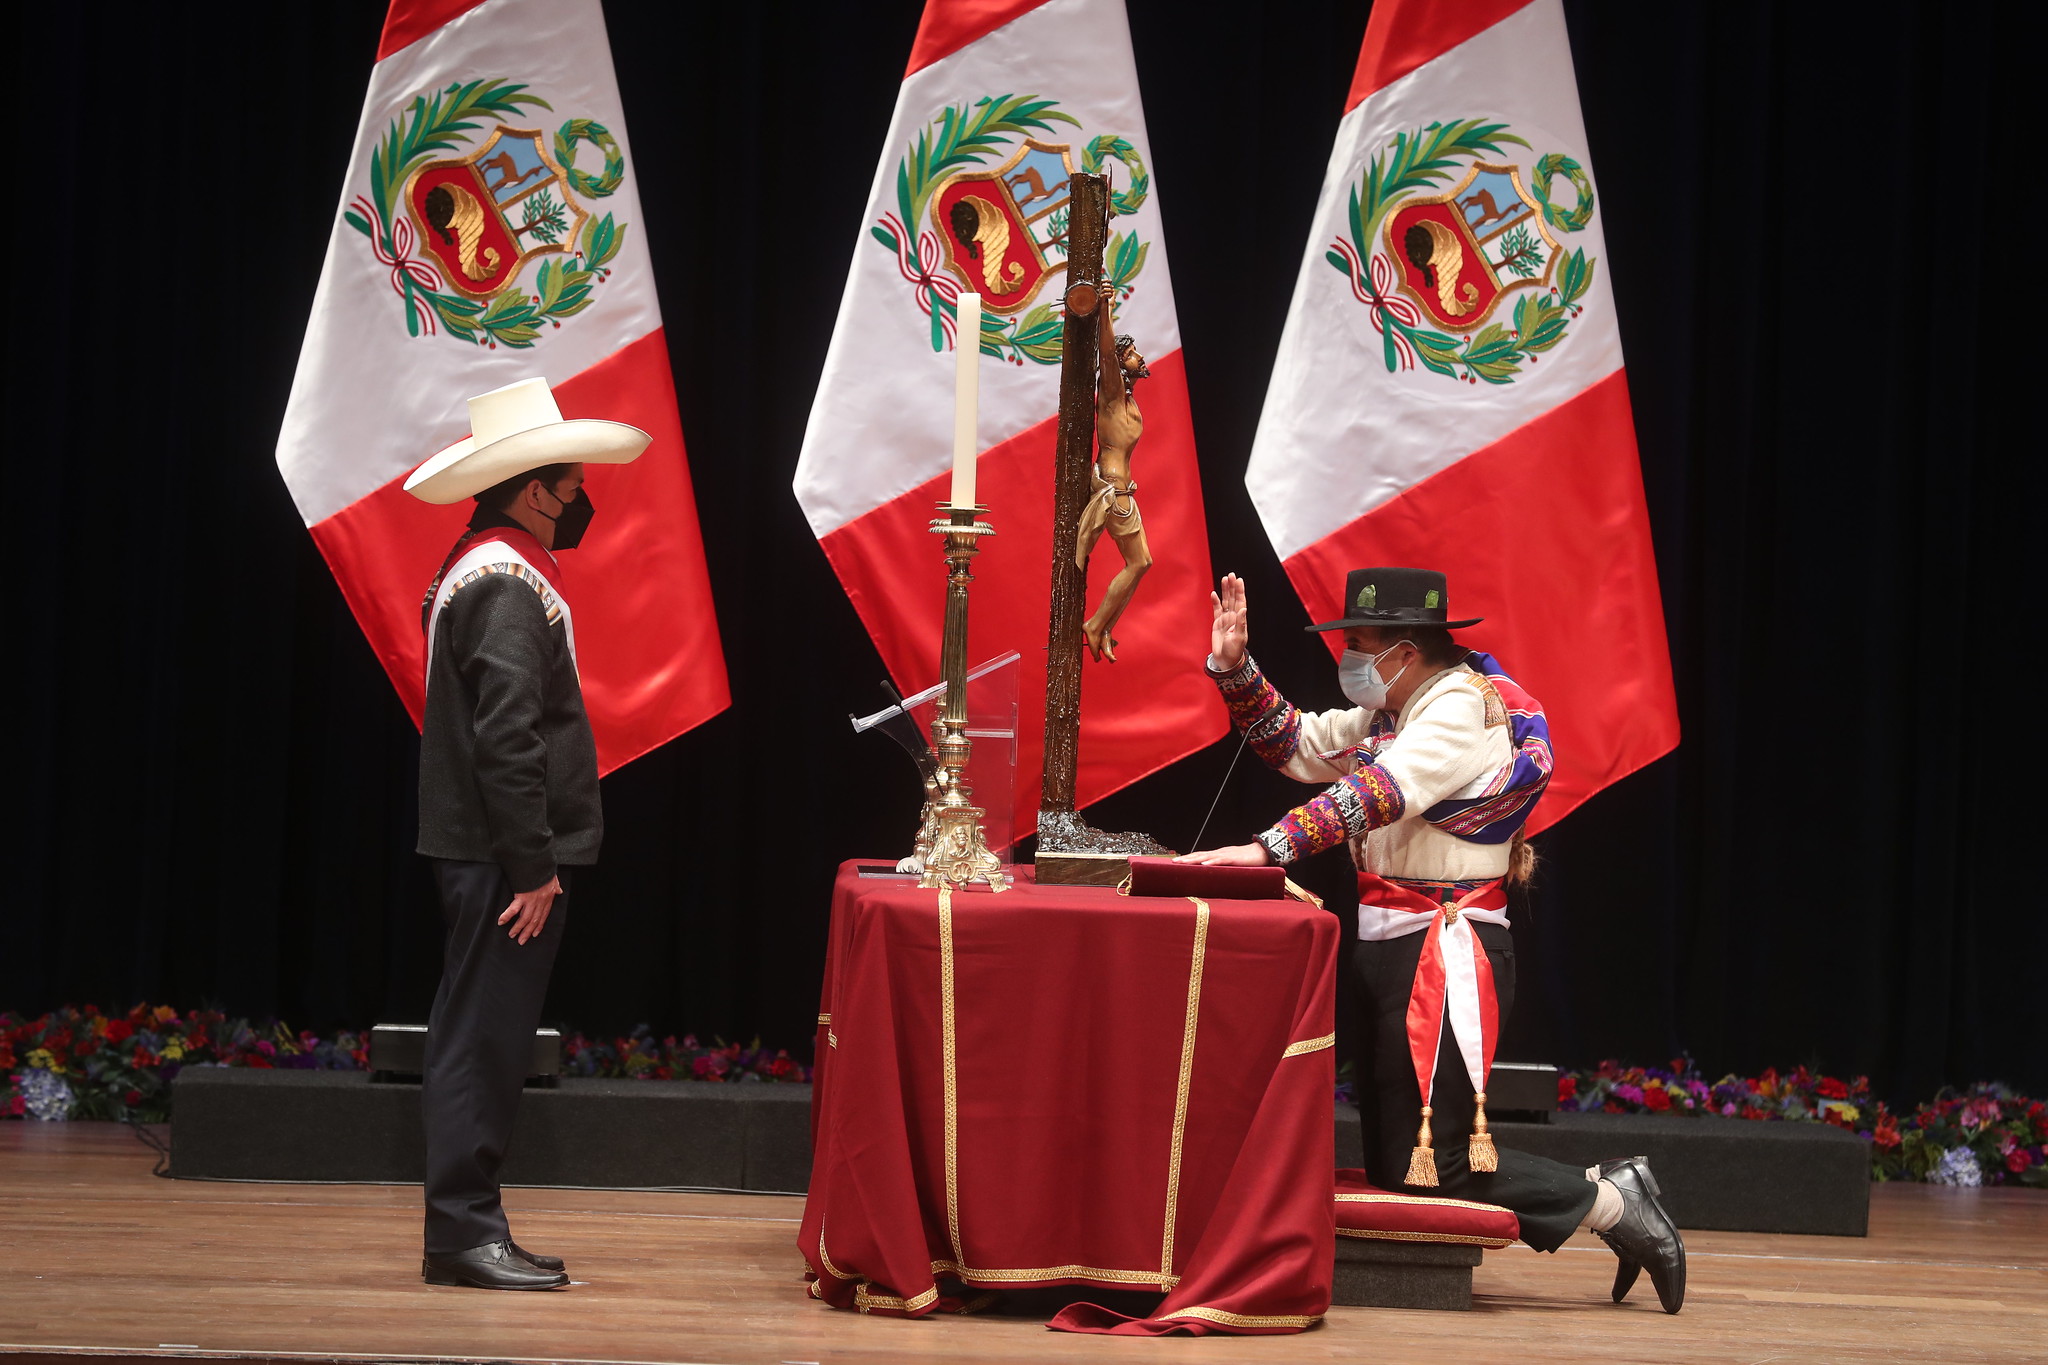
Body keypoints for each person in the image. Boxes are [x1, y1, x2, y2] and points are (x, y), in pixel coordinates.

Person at [1178, 568, 1687, 1313]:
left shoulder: (1454, 706)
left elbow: (1377, 794)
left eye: (1360, 645)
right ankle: (1615, 1193)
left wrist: (1265, 850)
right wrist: (1234, 668)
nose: (1348, 659)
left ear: (1406, 650)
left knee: (1439, 1162)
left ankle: (1615, 1202)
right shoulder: (1394, 708)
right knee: (1398, 1165)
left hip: (1447, 952)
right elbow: (1298, 744)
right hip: (1391, 944)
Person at [401, 377, 650, 1291]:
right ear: (535, 490)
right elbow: (507, 738)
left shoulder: (486, 564)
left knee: (487, 1033)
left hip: (491, 854)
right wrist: (534, 865)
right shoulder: (505, 580)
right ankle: (463, 1232)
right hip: (503, 862)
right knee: (482, 1037)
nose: (583, 496)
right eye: (574, 483)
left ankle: (470, 1225)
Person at [1074, 277, 1153, 662]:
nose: (1141, 357)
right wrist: (1104, 308)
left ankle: (1103, 626)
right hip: (1111, 493)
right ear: (1121, 364)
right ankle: (1096, 624)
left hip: (1123, 491)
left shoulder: (1131, 403)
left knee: (1143, 563)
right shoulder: (1111, 395)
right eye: (1133, 353)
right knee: (1140, 561)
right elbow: (1105, 352)